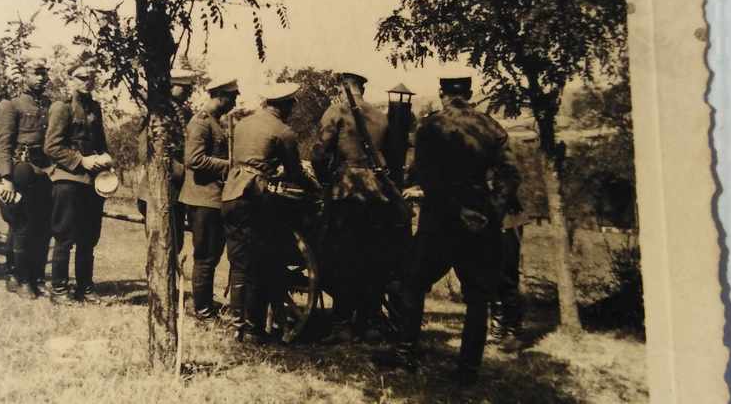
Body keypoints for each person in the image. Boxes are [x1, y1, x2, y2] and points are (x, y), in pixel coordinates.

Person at [376, 76, 520, 386]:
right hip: (479, 219)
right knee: (478, 297)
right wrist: (491, 213)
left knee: (413, 282)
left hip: (440, 219)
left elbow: (424, 175)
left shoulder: (431, 127)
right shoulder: (491, 127)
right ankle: (468, 371)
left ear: (443, 95)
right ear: (468, 94)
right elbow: (511, 175)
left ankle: (405, 354)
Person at [311, 71, 413, 343]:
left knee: (341, 256)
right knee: (372, 257)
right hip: (377, 193)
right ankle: (369, 322)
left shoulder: (336, 112)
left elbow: (319, 153)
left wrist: (324, 182)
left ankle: (342, 323)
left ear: (343, 87)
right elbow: (393, 159)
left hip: (346, 192)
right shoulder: (380, 116)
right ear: (362, 89)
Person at [221, 82, 319, 342]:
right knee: (259, 262)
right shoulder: (283, 131)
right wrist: (315, 188)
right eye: (291, 106)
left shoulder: (242, 124)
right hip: (253, 196)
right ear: (285, 106)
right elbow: (295, 172)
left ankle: (236, 326)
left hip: (230, 193)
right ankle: (253, 330)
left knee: (239, 263)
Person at [43, 62, 113, 304]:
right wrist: (81, 160)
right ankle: (59, 290)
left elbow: (100, 142)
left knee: (88, 237)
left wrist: (105, 158)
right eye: (81, 77)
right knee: (64, 235)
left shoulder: (94, 107)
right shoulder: (61, 107)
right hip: (68, 178)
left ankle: (85, 288)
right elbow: (51, 146)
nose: (87, 81)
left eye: (91, 77)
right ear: (70, 79)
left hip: (92, 182)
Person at [0, 53, 54, 299]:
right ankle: (19, 277)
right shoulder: (11, 105)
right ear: (24, 76)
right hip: (21, 168)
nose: (41, 77)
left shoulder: (50, 106)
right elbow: (3, 144)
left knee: (44, 225)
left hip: (45, 169)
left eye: (43, 73)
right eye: (35, 72)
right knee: (22, 224)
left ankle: (37, 277)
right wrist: (6, 177)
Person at [178, 77, 239, 322]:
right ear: (220, 96)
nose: (234, 102)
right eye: (232, 97)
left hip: (212, 197)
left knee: (212, 255)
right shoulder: (201, 123)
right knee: (204, 257)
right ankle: (202, 311)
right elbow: (193, 159)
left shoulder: (215, 122)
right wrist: (229, 166)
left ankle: (205, 307)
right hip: (202, 199)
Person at [135, 68, 196, 235]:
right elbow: (144, 150)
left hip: (179, 186)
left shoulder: (186, 113)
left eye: (189, 89)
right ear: (172, 87)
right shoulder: (156, 111)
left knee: (177, 237)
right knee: (158, 236)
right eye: (184, 88)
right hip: (156, 182)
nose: (187, 93)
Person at [489, 193, 528, 352]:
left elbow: (504, 194)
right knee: (491, 279)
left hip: (506, 224)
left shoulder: (503, 171)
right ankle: (498, 327)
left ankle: (513, 331)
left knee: (507, 277)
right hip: (487, 225)